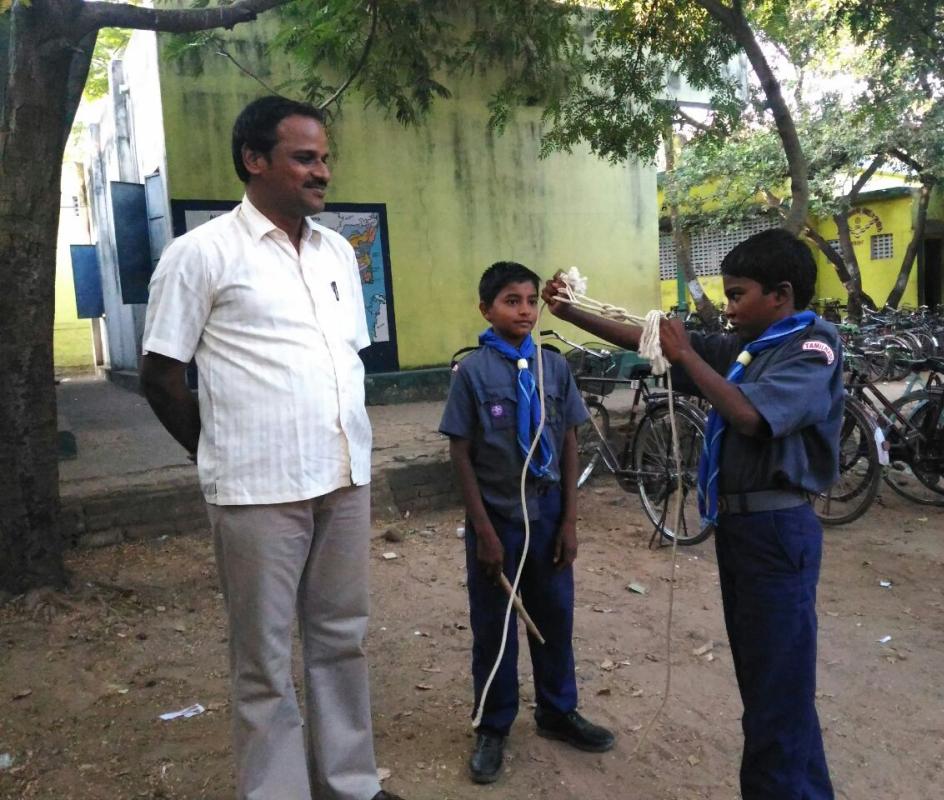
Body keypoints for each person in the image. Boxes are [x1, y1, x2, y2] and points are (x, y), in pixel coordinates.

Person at [141, 95, 402, 800]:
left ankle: (349, 784)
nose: (323, 172)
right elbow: (161, 376)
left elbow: (343, 358)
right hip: (256, 490)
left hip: (342, 476)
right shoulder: (200, 254)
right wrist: (217, 450)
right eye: (304, 158)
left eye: (324, 158)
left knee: (341, 638)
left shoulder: (336, 252)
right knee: (262, 658)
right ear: (254, 160)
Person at [542, 229, 842, 799]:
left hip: (777, 531)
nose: (728, 308)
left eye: (738, 295)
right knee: (768, 686)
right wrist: (571, 311)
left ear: (781, 294)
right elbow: (651, 341)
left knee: (777, 693)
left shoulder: (810, 348)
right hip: (743, 529)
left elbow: (751, 415)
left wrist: (686, 356)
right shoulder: (751, 345)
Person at [439, 261, 616, 785]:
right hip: (498, 521)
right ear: (486, 310)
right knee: (494, 626)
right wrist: (484, 532)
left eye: (531, 301)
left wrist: (570, 521)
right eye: (511, 301)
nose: (524, 311)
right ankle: (493, 725)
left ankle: (557, 711)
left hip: (549, 515)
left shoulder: (553, 367)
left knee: (555, 617)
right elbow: (460, 453)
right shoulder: (472, 373)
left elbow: (569, 440)